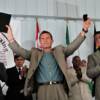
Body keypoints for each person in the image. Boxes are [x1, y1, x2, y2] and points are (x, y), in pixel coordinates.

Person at [6, 18, 91, 100]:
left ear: (52, 40)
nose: (45, 40)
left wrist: (84, 30)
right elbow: (19, 50)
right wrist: (10, 37)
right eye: (42, 39)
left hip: (60, 88)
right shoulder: (34, 53)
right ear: (39, 42)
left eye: (47, 38)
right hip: (43, 90)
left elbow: (73, 46)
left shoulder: (60, 51)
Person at [87, 31, 100, 100]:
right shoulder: (92, 56)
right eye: (96, 39)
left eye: (99, 37)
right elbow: (89, 73)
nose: (98, 40)